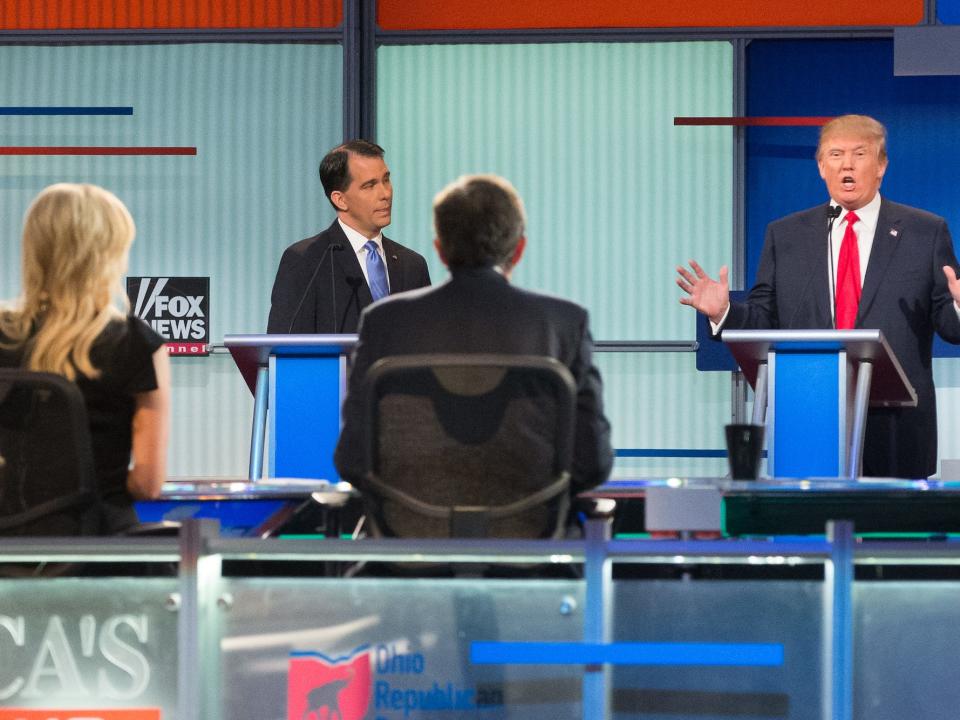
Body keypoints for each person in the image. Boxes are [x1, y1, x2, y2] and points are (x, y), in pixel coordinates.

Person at [677, 114, 960, 478]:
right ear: (821, 166)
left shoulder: (925, 232)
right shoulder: (787, 235)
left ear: (881, 165)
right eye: (836, 154)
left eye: (859, 154)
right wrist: (725, 313)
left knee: (890, 533)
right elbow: (766, 320)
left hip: (896, 426)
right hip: (809, 418)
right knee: (810, 530)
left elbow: (950, 325)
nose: (847, 164)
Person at [334, 173, 613, 503]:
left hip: (411, 546)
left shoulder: (383, 323)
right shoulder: (565, 323)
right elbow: (591, 463)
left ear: (440, 250)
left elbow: (353, 459)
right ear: (519, 249)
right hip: (530, 545)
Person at [0, 183, 170, 533]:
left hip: (9, 542)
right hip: (96, 544)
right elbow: (148, 483)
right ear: (108, 255)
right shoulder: (137, 343)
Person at [267, 140, 431, 334]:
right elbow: (285, 348)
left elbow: (428, 346)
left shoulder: (412, 265)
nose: (385, 193)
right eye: (370, 185)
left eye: (386, 180)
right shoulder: (307, 260)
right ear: (340, 199)